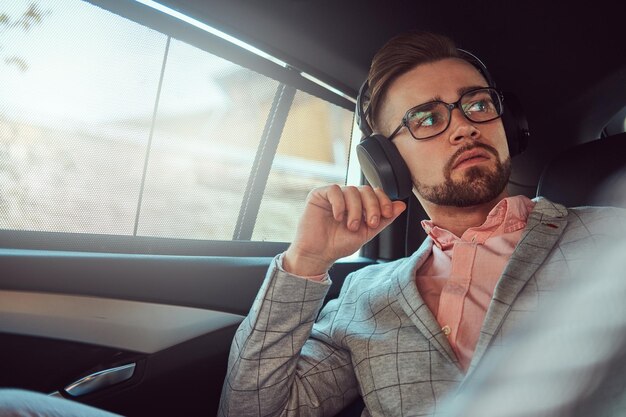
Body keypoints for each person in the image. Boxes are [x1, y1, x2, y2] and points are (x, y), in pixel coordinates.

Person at [218, 31, 626, 417]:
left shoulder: (612, 238)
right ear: (385, 163)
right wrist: (304, 263)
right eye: (427, 119)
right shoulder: (363, 297)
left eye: (479, 105)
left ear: (509, 127)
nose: (465, 126)